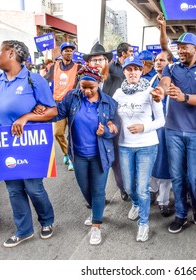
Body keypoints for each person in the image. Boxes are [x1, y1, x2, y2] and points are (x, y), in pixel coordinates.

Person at [0, 40, 57, 248]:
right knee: (13, 189)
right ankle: (24, 230)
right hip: (1, 145)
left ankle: (46, 221)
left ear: (11, 53)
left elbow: (52, 110)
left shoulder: (33, 80)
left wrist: (26, 117)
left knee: (33, 187)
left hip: (28, 144)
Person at [151, 32, 196, 234]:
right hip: (173, 131)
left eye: (185, 47)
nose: (180, 50)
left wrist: (183, 96)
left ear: (195, 49)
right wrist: (160, 93)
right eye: (178, 47)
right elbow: (164, 84)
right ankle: (180, 213)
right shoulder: (171, 67)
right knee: (177, 175)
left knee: (195, 176)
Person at [50, 73, 118, 245]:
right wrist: (40, 112)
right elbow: (57, 114)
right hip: (78, 154)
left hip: (100, 155)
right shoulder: (72, 97)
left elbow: (114, 128)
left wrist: (106, 131)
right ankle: (97, 209)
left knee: (98, 190)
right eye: (83, 87)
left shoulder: (109, 103)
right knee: (84, 187)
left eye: (91, 88)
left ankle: (96, 225)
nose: (86, 91)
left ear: (99, 84)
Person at [113, 56, 165, 242]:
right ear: (124, 72)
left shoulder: (151, 92)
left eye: (136, 69)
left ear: (141, 70)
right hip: (125, 146)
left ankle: (144, 223)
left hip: (147, 145)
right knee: (128, 186)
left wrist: (144, 127)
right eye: (129, 69)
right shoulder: (118, 94)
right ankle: (135, 204)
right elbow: (111, 115)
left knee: (142, 188)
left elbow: (161, 120)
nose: (133, 72)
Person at [102, 42, 133, 201]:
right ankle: (114, 189)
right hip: (111, 115)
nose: (132, 54)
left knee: (124, 154)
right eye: (130, 51)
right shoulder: (109, 68)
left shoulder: (131, 68)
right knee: (110, 156)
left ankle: (127, 186)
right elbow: (104, 89)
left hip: (128, 115)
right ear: (122, 53)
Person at [44, 42, 79, 171]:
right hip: (58, 104)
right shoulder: (55, 66)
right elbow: (45, 80)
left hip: (72, 103)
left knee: (72, 133)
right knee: (58, 133)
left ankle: (71, 158)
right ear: (62, 53)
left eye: (71, 50)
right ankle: (66, 152)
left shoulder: (77, 67)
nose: (69, 52)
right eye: (66, 50)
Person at [148, 50, 173, 217]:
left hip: (170, 129)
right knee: (151, 162)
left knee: (166, 165)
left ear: (169, 64)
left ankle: (164, 201)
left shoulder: (175, 83)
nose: (158, 62)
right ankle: (151, 191)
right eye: (156, 60)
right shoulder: (148, 82)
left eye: (162, 60)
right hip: (151, 130)